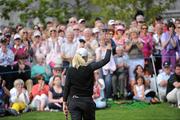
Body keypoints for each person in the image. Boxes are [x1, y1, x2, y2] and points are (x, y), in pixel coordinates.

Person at [63, 43, 112, 120]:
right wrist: (109, 47)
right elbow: (106, 60)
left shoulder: (70, 70)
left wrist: (64, 102)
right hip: (87, 102)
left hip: (74, 102)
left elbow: (66, 87)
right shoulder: (90, 68)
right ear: (85, 58)